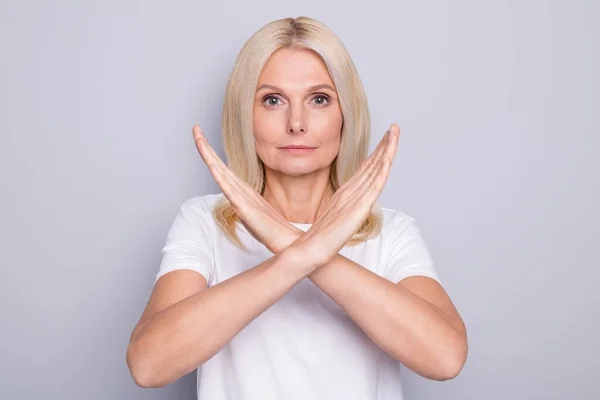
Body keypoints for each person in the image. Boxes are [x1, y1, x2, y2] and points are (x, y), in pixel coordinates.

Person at [126, 15, 467, 399]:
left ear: (345, 114)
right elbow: (148, 364)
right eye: (272, 100)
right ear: (245, 115)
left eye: (319, 99)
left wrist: (298, 247)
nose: (297, 123)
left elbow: (446, 358)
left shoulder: (392, 231)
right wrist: (298, 256)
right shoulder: (203, 222)